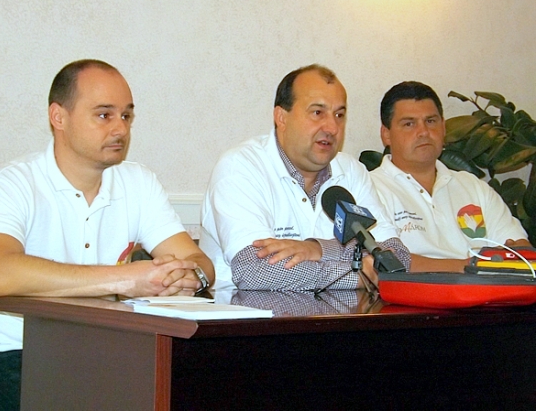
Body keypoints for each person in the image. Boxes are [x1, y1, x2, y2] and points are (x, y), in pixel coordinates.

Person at [0, 59, 214, 410]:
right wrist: (125, 280)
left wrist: (190, 277)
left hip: (111, 352)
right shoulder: (12, 185)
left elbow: (198, 260)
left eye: (126, 116)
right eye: (104, 115)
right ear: (58, 117)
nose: (120, 129)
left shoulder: (139, 182)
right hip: (17, 353)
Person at [200, 64, 410, 291]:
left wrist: (318, 249)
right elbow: (255, 272)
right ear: (281, 117)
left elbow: (397, 258)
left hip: (343, 310)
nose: (332, 127)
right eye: (317, 112)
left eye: (339, 115)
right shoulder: (241, 167)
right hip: (251, 311)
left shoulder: (351, 171)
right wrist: (360, 274)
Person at [370, 81, 530, 272]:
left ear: (444, 128)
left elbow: (520, 251)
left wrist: (509, 257)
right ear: (386, 134)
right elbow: (383, 261)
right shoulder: (369, 189)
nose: (423, 132)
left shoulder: (474, 187)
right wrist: (468, 267)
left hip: (486, 289)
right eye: (409, 124)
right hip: (416, 291)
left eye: (431, 121)